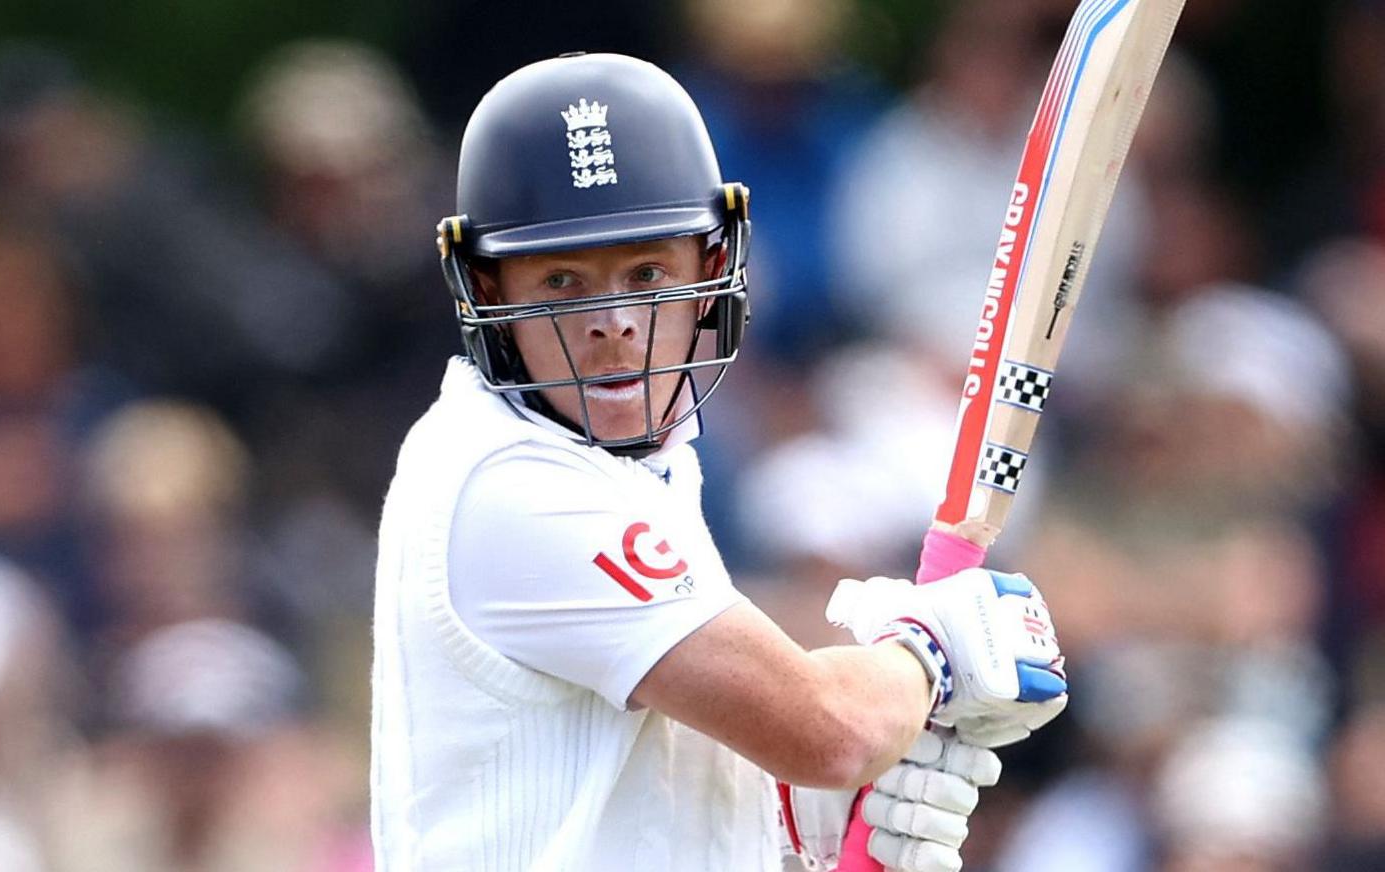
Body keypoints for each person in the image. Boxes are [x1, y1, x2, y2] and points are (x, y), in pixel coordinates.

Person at [370, 52, 1067, 872]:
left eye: (646, 273)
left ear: (711, 271)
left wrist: (814, 819)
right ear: (487, 290)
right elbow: (827, 730)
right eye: (563, 281)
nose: (615, 322)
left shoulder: (637, 464)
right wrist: (931, 656)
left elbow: (688, 775)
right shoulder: (513, 482)